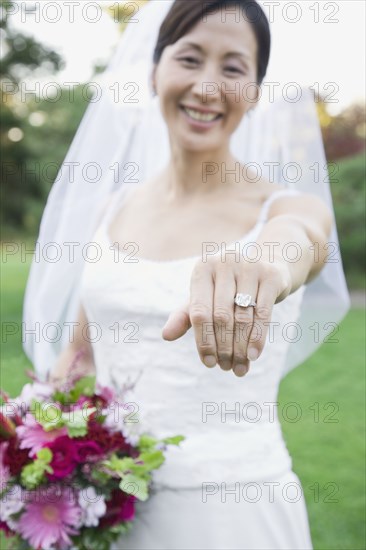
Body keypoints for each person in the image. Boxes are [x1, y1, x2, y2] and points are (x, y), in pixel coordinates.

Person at [22, 1, 351, 549]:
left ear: (257, 90)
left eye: (233, 68)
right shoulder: (111, 210)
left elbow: (300, 244)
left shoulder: (291, 209)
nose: (206, 86)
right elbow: (80, 357)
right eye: (191, 58)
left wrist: (263, 264)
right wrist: (33, 453)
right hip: (114, 511)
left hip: (235, 517)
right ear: (154, 71)